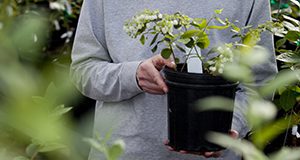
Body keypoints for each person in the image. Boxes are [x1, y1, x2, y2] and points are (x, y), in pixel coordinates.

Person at [70, 0, 277, 159]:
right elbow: (83, 70)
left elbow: (260, 82)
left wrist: (231, 125)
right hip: (122, 152)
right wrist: (132, 76)